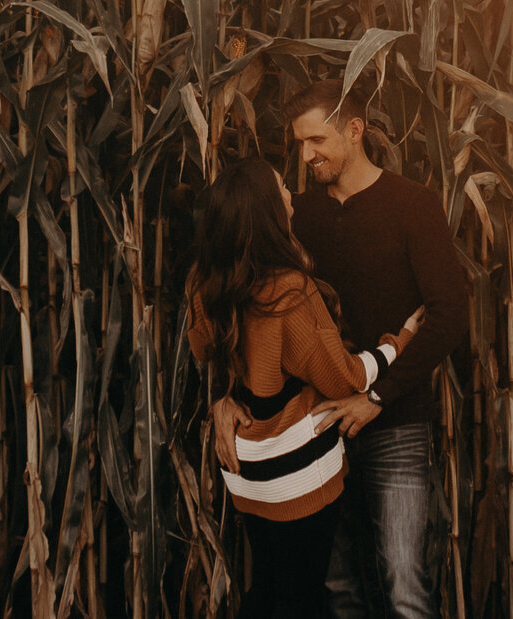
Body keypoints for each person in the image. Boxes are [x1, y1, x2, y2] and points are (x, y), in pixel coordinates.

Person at [255, 80, 471, 619]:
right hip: (318, 427)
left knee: (404, 581)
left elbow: (448, 315)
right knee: (336, 586)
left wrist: (376, 397)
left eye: (315, 141)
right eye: (300, 144)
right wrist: (232, 397)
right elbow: (256, 309)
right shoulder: (298, 215)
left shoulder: (412, 206)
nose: (305, 156)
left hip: (396, 422)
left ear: (354, 131)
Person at [187, 157, 421, 619]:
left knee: (267, 588)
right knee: (302, 601)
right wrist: (399, 342)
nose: (292, 198)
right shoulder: (291, 292)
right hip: (298, 474)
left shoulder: (208, 284)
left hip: (248, 470)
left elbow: (206, 352)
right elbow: (344, 379)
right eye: (281, 190)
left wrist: (226, 397)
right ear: (266, 211)